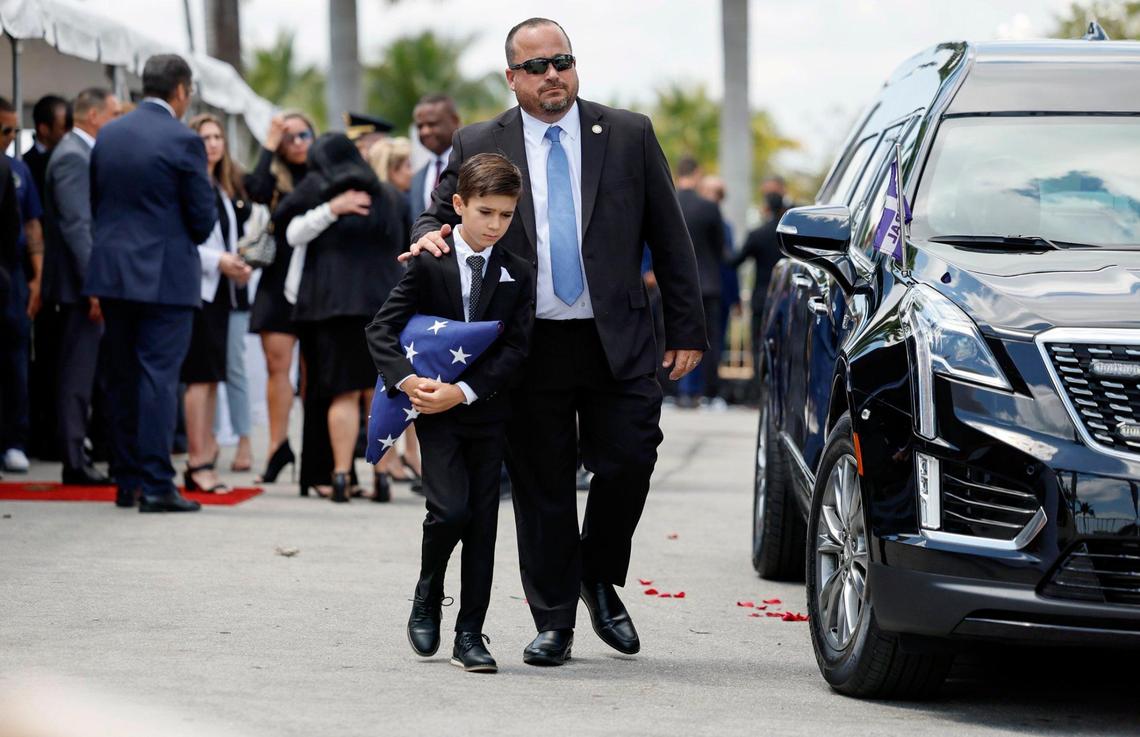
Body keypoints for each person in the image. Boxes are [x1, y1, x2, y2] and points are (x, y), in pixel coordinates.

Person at [408, 17, 706, 666]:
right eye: (537, 67)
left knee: (630, 457)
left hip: (617, 335)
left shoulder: (627, 133)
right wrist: (429, 232)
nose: (553, 76)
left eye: (562, 62)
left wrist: (687, 324)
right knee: (543, 484)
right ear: (512, 77)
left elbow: (669, 230)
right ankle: (554, 622)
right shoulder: (481, 139)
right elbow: (441, 207)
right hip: (527, 342)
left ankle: (597, 573)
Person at [368, 152, 535, 673]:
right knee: (450, 511)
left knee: (484, 523)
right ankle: (427, 589)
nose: (495, 225)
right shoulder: (429, 261)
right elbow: (381, 330)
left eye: (506, 216)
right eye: (485, 212)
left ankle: (470, 633)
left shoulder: (518, 272)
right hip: (433, 416)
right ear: (458, 205)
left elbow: (516, 351)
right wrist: (409, 380)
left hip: (485, 413)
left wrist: (462, 391)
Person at [86, 54, 217, 513]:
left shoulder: (108, 135)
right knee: (159, 379)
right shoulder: (184, 140)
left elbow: (97, 202)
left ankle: (127, 482)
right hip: (164, 276)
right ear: (180, 90)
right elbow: (202, 220)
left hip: (113, 272)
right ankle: (157, 484)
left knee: (121, 377)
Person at [281, 133, 406, 502]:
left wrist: (332, 209)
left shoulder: (326, 195)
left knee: (343, 395)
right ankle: (381, 477)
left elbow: (292, 233)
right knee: (379, 394)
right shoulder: (391, 197)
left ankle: (338, 475)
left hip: (335, 309)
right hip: (384, 307)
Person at [41, 88, 121, 484]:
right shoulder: (74, 156)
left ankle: (81, 452)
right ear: (93, 115)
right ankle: (74, 459)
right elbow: (77, 227)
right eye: (113, 113)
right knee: (76, 374)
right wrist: (95, 285)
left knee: (86, 373)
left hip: (81, 285)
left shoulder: (80, 152)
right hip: (78, 288)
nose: (118, 121)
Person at [181, 114, 253, 494]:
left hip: (221, 292)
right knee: (199, 377)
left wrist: (234, 263)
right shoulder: (191, 182)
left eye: (217, 137)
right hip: (197, 291)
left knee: (212, 377)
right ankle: (197, 459)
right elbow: (185, 240)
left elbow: (223, 240)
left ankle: (204, 453)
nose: (212, 143)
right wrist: (219, 261)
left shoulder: (221, 186)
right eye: (204, 137)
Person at [245, 111, 315, 484]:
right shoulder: (273, 178)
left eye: (304, 134)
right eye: (290, 137)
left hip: (316, 280)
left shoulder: (324, 174)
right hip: (277, 280)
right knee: (277, 367)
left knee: (313, 371)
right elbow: (253, 189)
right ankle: (276, 446)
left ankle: (315, 450)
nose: (299, 142)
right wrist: (269, 143)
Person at [367, 135, 423, 489]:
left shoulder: (367, 200)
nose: (411, 173)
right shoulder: (400, 201)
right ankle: (409, 456)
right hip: (397, 292)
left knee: (383, 382)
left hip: (372, 295)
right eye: (404, 166)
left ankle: (385, 462)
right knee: (407, 375)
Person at [0, 97, 47, 474]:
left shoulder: (17, 171)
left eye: (14, 130)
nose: (9, 137)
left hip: (10, 274)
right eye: (4, 130)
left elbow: (31, 225)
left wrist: (37, 277)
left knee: (16, 359)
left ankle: (15, 439)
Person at [25, 96, 71, 463]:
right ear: (43, 129)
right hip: (38, 275)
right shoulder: (29, 166)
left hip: (56, 274)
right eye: (62, 125)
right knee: (43, 358)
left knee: (58, 358)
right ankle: (40, 433)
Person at [674, 157, 726, 409]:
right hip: (706, 282)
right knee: (708, 341)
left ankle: (678, 391)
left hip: (671, 283)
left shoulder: (668, 201)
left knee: (671, 337)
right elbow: (720, 249)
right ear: (697, 174)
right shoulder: (708, 208)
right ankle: (705, 392)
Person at [734, 176, 789, 388]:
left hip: (761, 297)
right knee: (783, 344)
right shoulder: (789, 234)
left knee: (759, 344)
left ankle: (760, 390)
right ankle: (780, 386)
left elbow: (735, 260)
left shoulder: (757, 234)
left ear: (765, 208)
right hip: (784, 296)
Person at [411, 94, 460, 223]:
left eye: (432, 124)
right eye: (420, 126)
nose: (425, 131)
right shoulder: (417, 178)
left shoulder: (471, 167)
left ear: (455, 121)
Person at [24, 95, 71, 209]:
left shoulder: (73, 155)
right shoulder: (26, 165)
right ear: (44, 129)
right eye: (64, 128)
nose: (69, 134)